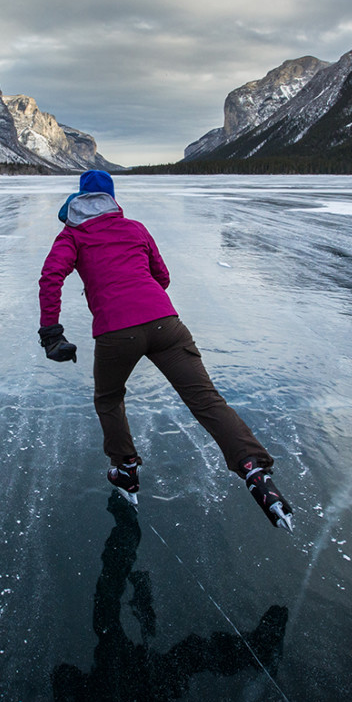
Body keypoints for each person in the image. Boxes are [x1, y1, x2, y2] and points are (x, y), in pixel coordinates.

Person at [37, 170, 292, 530]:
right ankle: (253, 467)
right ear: (111, 199)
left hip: (116, 332)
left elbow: (51, 277)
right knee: (207, 400)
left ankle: (125, 468)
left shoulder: (72, 234)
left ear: (79, 198)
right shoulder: (135, 228)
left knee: (109, 398)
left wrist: (51, 333)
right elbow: (163, 276)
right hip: (166, 323)